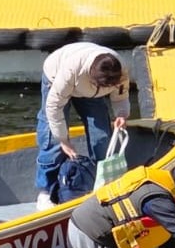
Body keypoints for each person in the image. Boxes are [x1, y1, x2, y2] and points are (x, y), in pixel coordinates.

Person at [35, 42, 131, 211]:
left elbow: (121, 96)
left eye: (110, 86)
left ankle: (101, 183)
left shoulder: (120, 71)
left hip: (90, 90)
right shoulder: (70, 71)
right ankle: (45, 191)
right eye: (104, 86)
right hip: (57, 77)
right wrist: (63, 140)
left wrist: (121, 114)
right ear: (94, 80)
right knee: (51, 139)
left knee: (102, 135)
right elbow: (53, 108)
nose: (108, 89)